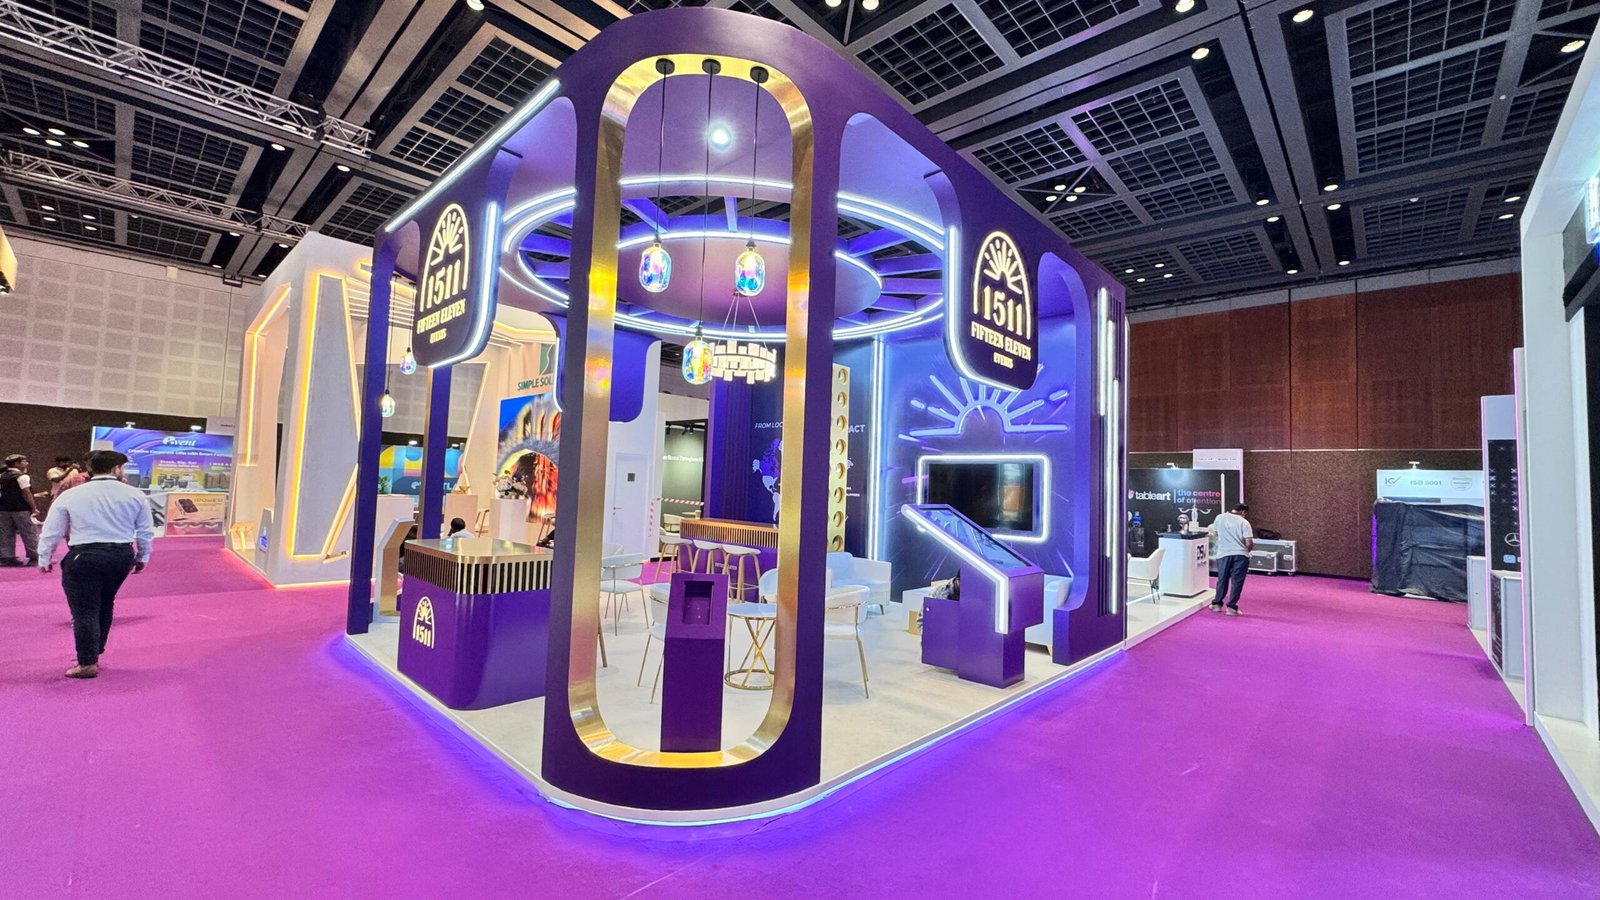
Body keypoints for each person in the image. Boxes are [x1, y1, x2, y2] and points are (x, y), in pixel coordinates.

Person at [37, 450, 155, 679]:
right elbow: (145, 531)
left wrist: (44, 557)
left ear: (91, 469)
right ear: (116, 469)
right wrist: (143, 556)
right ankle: (95, 650)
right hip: (121, 555)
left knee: (84, 610)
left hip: (84, 556)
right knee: (105, 602)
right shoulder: (135, 494)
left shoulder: (71, 495)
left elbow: (52, 530)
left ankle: (87, 662)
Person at [1208, 502, 1254, 616]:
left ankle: (1217, 605)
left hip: (1223, 553)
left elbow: (1216, 534)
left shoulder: (1219, 518)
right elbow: (1249, 542)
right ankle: (1232, 608)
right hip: (1241, 555)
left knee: (1222, 579)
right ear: (1243, 512)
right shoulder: (1244, 522)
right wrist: (1246, 551)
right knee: (1237, 581)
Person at [0, 453, 42, 567]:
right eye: (24, 461)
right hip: (21, 509)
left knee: (5, 534)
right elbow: (26, 493)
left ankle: (7, 557)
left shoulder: (2, 476)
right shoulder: (21, 476)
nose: (26, 463)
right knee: (29, 532)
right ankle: (35, 557)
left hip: (4, 509)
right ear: (16, 463)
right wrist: (34, 508)